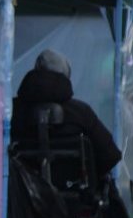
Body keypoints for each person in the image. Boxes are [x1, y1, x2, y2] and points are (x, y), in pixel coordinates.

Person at [11, 49, 122, 179]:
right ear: (66, 76)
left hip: (23, 195)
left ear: (35, 71)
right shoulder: (82, 113)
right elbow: (111, 156)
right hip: (77, 195)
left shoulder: (12, 112)